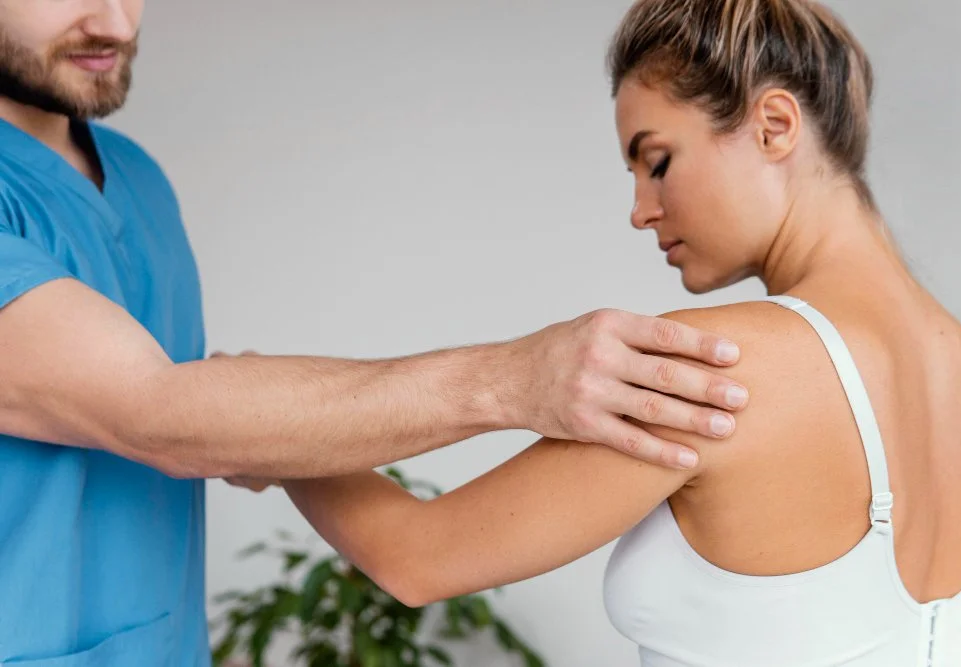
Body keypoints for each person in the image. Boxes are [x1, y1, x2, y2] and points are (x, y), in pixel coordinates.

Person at [0, 1, 756, 665]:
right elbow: (158, 413)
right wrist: (521, 377)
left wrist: (250, 421)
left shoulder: (138, 178)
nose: (115, 21)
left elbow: (193, 425)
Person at [272, 0, 961, 665]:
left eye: (656, 162)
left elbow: (415, 558)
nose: (640, 210)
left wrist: (276, 443)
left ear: (775, 126)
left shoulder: (724, 365)